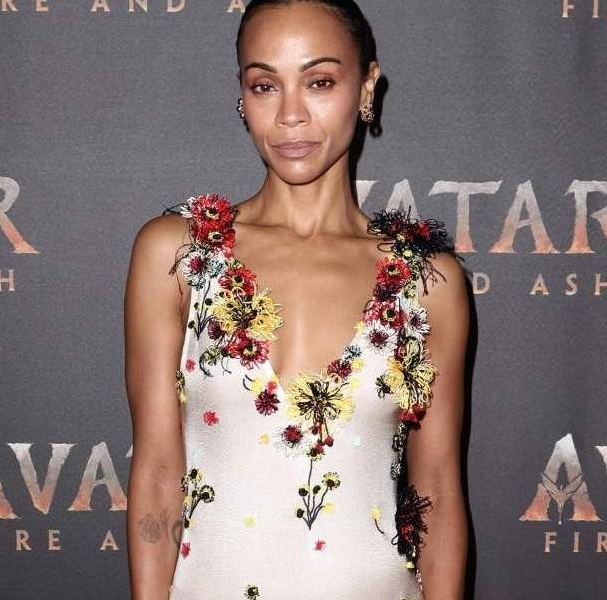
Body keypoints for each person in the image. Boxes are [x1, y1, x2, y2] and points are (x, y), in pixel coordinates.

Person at [123, 1, 470, 598]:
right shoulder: (177, 255)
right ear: (242, 96)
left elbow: (435, 489)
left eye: (319, 82)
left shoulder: (427, 281)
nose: (290, 114)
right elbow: (157, 475)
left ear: (366, 87)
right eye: (265, 85)